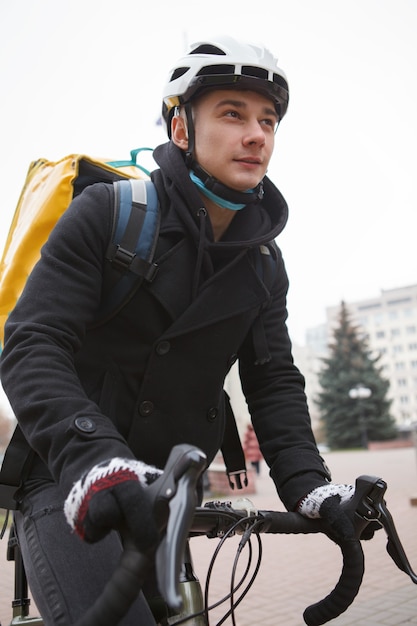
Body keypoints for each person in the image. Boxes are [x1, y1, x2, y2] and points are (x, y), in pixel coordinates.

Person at [0, 36, 355, 625]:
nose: (257, 135)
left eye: (268, 120)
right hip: (71, 478)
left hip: (170, 486)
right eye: (233, 114)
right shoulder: (107, 213)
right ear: (181, 129)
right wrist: (93, 459)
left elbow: (272, 381)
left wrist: (308, 485)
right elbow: (32, 343)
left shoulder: (264, 262)